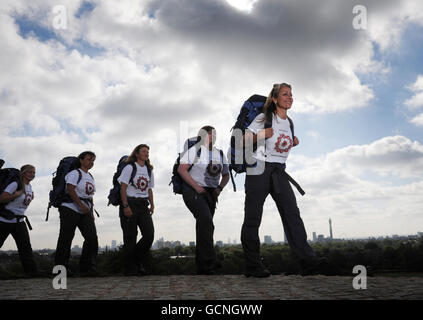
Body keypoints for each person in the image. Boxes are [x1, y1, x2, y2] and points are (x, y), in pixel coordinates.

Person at [241, 83, 319, 278]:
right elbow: (241, 140)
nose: (290, 97)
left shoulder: (289, 123)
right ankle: (252, 266)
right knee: (252, 218)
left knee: (292, 214)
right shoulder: (264, 118)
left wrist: (294, 140)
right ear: (275, 99)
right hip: (258, 169)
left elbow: (279, 145)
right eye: (285, 94)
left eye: (291, 94)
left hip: (279, 172)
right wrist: (261, 134)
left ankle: (308, 262)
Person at [178, 126, 230, 275]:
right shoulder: (195, 150)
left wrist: (219, 188)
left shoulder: (220, 154)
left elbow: (226, 175)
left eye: (214, 134)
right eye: (208, 134)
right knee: (206, 222)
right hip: (193, 191)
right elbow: (181, 170)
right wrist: (195, 186)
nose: (212, 136)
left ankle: (202, 266)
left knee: (204, 227)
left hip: (210, 194)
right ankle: (210, 263)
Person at [54, 151, 98, 276]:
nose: (91, 162)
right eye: (89, 159)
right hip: (69, 208)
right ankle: (60, 270)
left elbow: (90, 196)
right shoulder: (74, 173)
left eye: (93, 160)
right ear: (81, 160)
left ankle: (87, 268)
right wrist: (80, 205)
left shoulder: (90, 176)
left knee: (92, 238)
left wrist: (91, 211)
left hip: (86, 210)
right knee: (66, 238)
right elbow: (70, 189)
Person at [118, 144, 155, 276]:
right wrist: (125, 206)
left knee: (149, 234)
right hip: (130, 203)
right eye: (143, 151)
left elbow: (149, 189)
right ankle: (130, 269)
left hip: (143, 205)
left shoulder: (149, 170)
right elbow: (123, 188)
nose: (146, 153)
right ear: (137, 154)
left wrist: (152, 204)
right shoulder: (130, 167)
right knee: (130, 237)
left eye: (147, 152)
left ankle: (137, 260)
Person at [0, 165, 38, 276]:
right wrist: (15, 195)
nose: (32, 174)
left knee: (25, 248)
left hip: (19, 221)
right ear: (23, 173)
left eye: (34, 172)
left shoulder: (29, 186)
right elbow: (2, 198)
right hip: (5, 220)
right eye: (29, 172)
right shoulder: (15, 184)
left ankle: (32, 273)